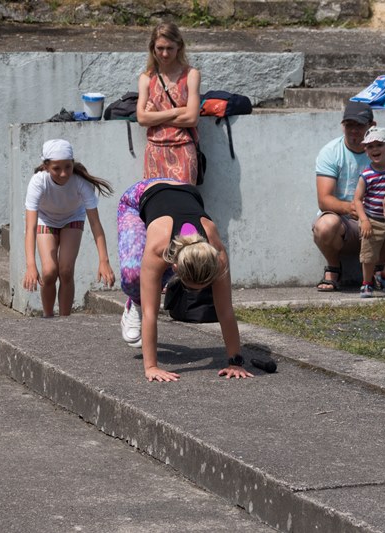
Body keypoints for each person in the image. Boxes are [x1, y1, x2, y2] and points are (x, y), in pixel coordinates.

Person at [117, 177, 253, 382]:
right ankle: (133, 302)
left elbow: (225, 310)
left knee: (150, 278)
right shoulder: (158, 248)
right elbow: (150, 312)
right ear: (175, 267)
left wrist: (235, 362)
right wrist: (151, 367)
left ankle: (143, 292)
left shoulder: (217, 255)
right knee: (133, 274)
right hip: (138, 198)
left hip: (182, 191)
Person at [23, 139, 115, 317]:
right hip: (46, 219)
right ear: (46, 166)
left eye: (68, 167)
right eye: (56, 168)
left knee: (66, 270)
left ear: (73, 164)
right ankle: (48, 317)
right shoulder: (38, 182)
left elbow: (95, 224)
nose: (63, 173)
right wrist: (31, 265)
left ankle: (66, 320)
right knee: (49, 272)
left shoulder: (81, 182)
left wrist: (104, 261)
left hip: (72, 218)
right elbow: (31, 227)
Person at [313, 101, 385, 291]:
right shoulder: (331, 152)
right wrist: (351, 208)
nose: (353, 130)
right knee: (325, 226)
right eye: (349, 125)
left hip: (377, 220)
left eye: (359, 125)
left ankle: (380, 270)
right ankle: (333, 268)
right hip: (345, 223)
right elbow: (324, 200)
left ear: (372, 126)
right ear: (342, 125)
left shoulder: (383, 151)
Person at [136, 23, 201, 185]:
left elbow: (192, 119)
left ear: (179, 47)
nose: (165, 54)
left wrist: (155, 116)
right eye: (160, 48)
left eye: (170, 48)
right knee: (155, 199)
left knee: (183, 199)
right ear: (153, 48)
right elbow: (142, 119)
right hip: (155, 151)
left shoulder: (191, 75)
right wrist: (177, 111)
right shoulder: (146, 78)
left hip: (183, 149)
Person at [353, 126, 385, 298]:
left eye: (379, 145)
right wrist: (364, 220)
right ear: (366, 151)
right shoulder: (366, 175)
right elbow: (357, 199)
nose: (375, 149)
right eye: (370, 146)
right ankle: (367, 283)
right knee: (368, 256)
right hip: (372, 221)